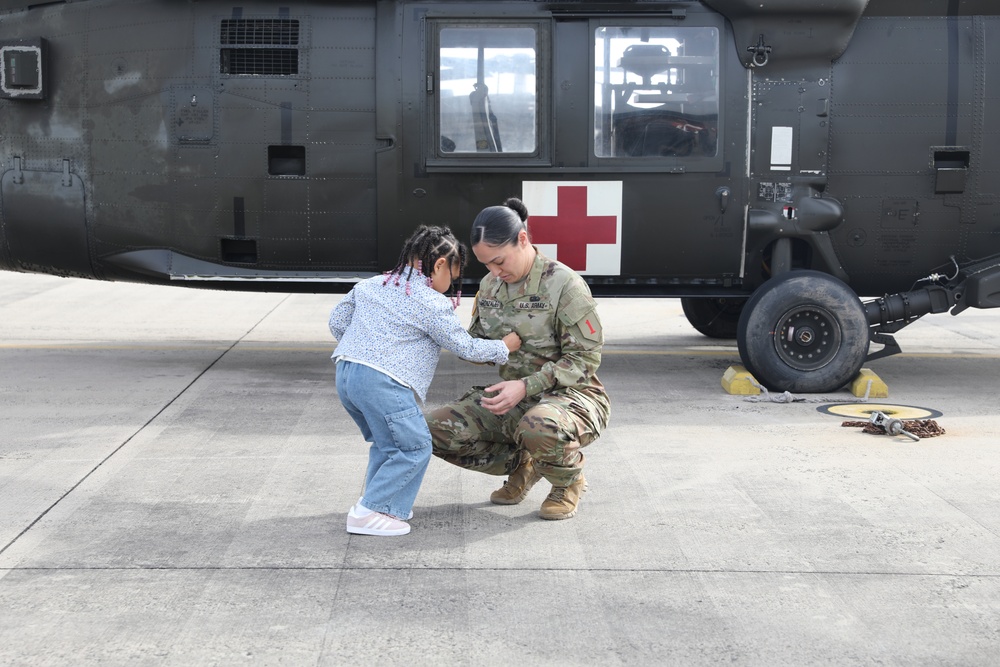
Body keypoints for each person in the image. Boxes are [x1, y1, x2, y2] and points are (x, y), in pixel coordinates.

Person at [329, 225, 521, 537]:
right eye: (454, 277)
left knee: (388, 444)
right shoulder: (430, 302)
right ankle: (367, 512)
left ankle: (385, 507)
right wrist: (505, 346)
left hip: (347, 375)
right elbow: (464, 346)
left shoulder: (371, 285)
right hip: (384, 382)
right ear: (440, 264)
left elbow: (337, 322)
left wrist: (363, 351)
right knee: (415, 446)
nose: (450, 285)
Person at [426, 198, 611, 520]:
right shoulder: (491, 286)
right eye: (486, 265)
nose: (495, 272)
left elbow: (585, 358)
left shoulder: (564, 284)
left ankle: (567, 481)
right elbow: (480, 346)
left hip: (573, 397)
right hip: (516, 398)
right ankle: (523, 465)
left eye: (499, 261)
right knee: (431, 429)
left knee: (538, 426)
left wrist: (527, 386)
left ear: (522, 240)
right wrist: (449, 334)